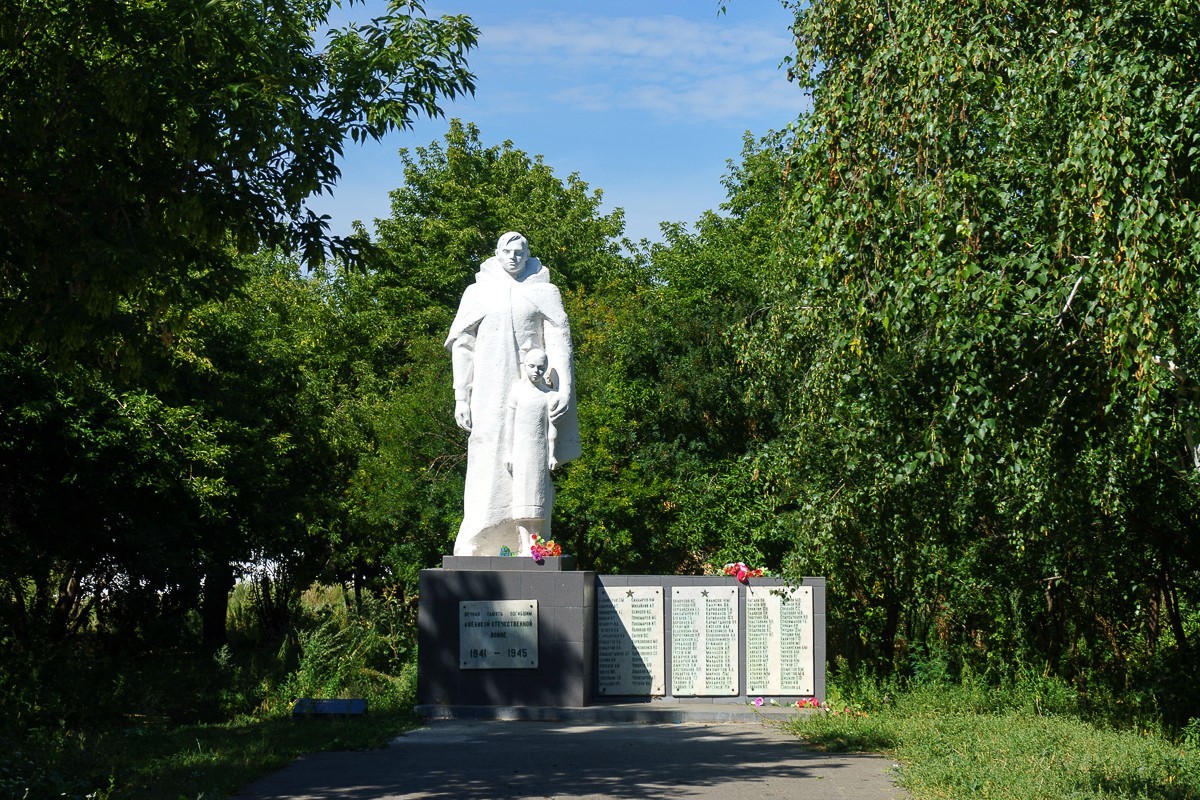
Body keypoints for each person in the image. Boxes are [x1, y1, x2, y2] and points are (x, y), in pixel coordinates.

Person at [444, 232, 580, 556]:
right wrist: (461, 396)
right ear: (498, 253)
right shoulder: (477, 292)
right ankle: (477, 540)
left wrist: (563, 388)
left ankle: (530, 543)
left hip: (532, 394)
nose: (514, 257)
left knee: (531, 463)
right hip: (488, 393)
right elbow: (462, 345)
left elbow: (560, 338)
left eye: (520, 252)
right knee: (486, 456)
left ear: (527, 254)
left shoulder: (544, 292)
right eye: (508, 251)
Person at [505, 348, 558, 556]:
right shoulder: (517, 392)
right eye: (532, 366)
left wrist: (552, 454)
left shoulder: (548, 396)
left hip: (539, 452)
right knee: (521, 498)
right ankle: (524, 545)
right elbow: (509, 425)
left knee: (537, 497)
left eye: (541, 368)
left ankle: (536, 545)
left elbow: (551, 429)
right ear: (524, 366)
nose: (536, 371)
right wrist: (508, 452)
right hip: (521, 451)